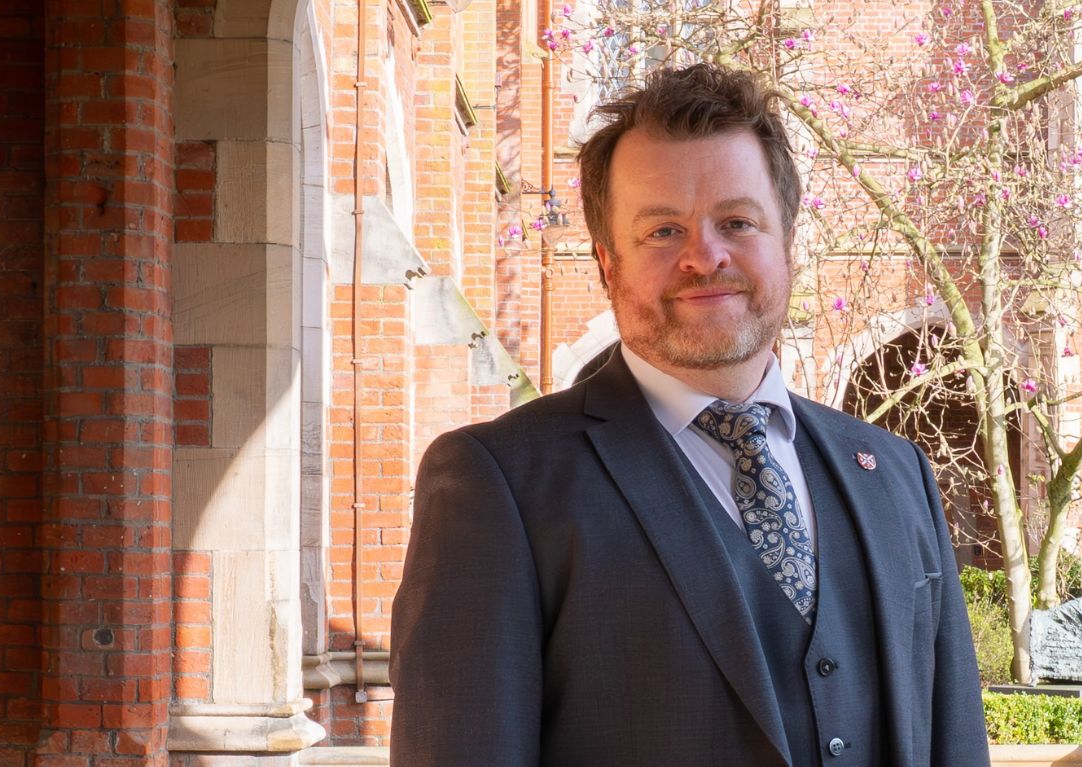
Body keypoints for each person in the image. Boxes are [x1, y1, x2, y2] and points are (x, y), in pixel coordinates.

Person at [390, 62, 990, 766]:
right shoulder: (500, 484)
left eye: (737, 221)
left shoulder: (895, 472)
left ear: (786, 243)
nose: (704, 257)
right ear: (608, 262)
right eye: (663, 231)